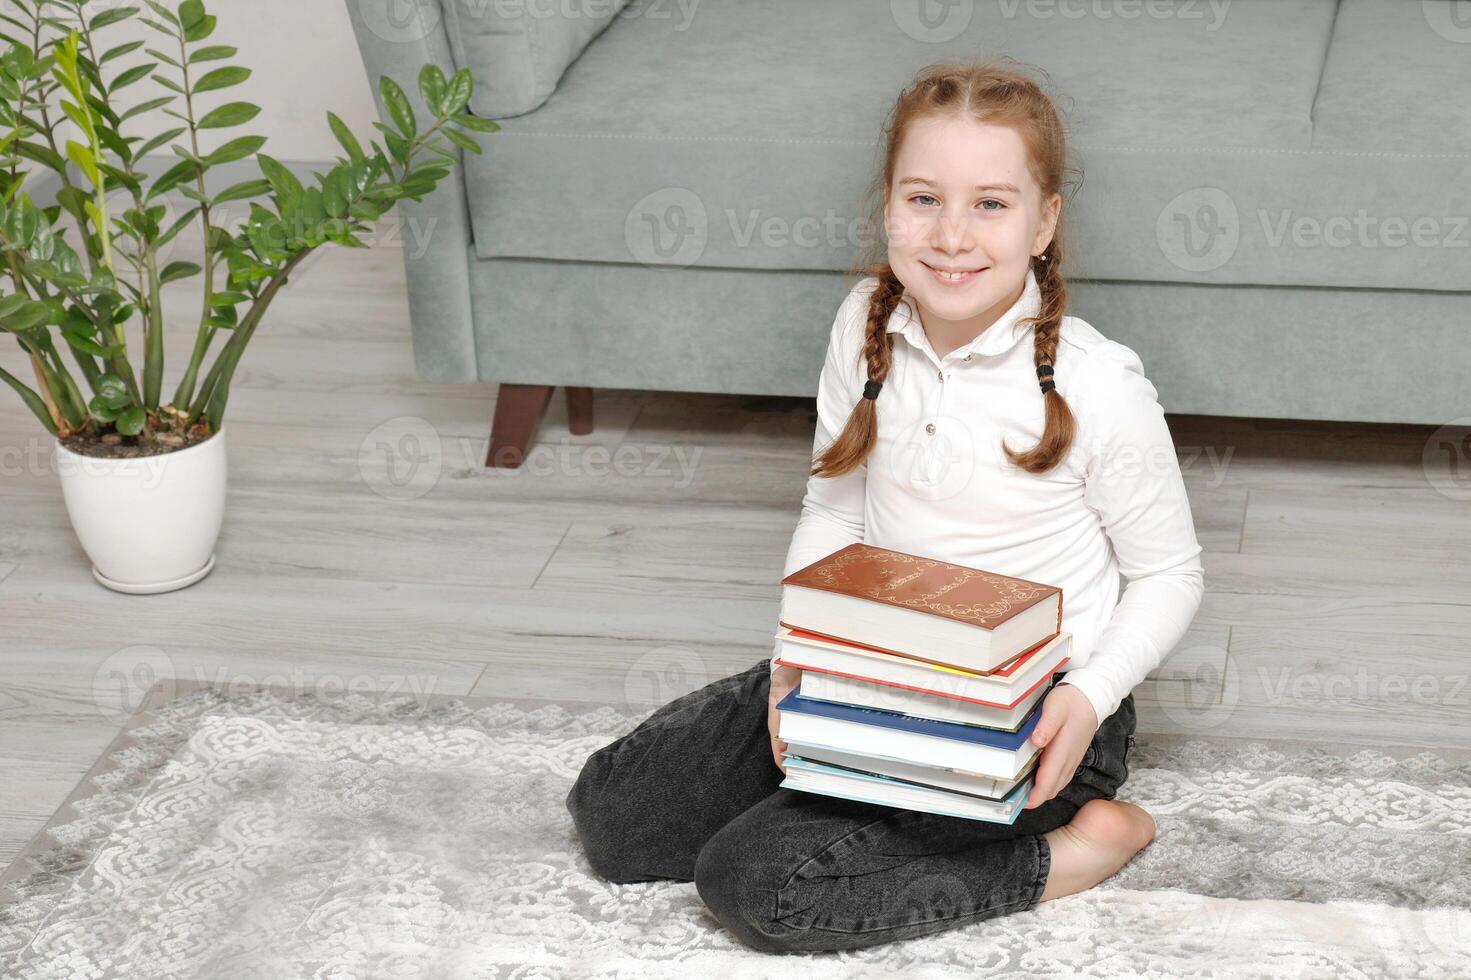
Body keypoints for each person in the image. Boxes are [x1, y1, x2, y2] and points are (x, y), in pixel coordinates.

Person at [566, 60, 1205, 955]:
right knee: (613, 814)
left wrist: (1090, 700)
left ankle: (1073, 848)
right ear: (887, 206)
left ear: (1044, 223)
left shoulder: (1099, 386)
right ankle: (832, 798)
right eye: (922, 199)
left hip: (1036, 711)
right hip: (879, 665)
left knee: (753, 885)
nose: (951, 236)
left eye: (990, 204)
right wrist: (798, 658)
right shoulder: (864, 323)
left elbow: (1169, 573)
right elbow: (832, 510)